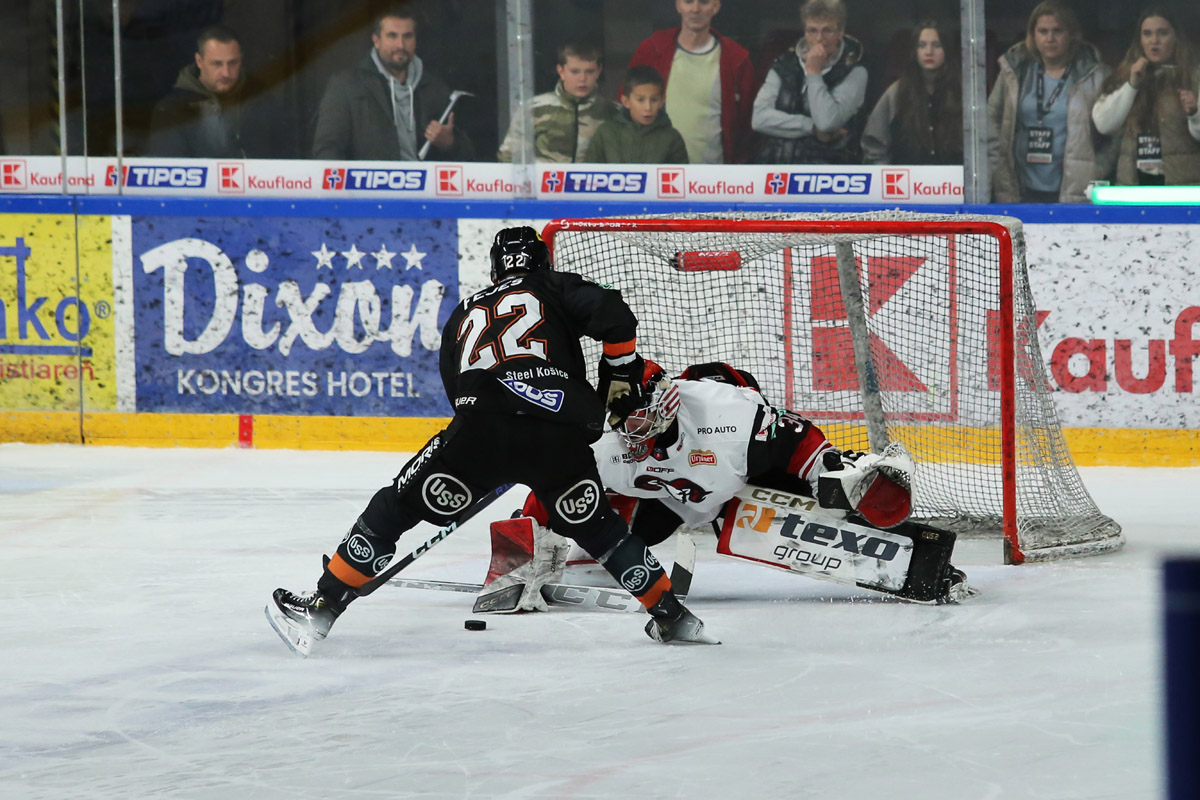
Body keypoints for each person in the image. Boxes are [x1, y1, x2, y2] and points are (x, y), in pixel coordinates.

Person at [266, 227, 718, 655]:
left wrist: (491, 448)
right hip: (559, 437)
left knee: (396, 506)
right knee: (602, 530)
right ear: (543, 261)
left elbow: (456, 392)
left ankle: (324, 605)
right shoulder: (554, 285)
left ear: (495, 268)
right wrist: (621, 372)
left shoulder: (463, 312)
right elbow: (614, 314)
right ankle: (673, 617)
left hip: (480, 434)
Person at [480, 361, 967, 605]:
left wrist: (840, 476)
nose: (629, 431)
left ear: (665, 407)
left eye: (639, 420)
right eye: (621, 420)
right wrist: (521, 543)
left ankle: (918, 560)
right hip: (671, 498)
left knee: (813, 502)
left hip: (741, 473)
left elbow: (799, 442)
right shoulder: (605, 443)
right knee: (610, 520)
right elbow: (554, 484)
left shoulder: (732, 417)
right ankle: (608, 542)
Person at [987, 1, 1114, 203]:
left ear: (1071, 35)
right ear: (1033, 35)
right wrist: (997, 163)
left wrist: (1094, 169)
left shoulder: (1095, 75)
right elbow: (990, 118)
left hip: (1073, 188)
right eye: (1043, 31)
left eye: (1057, 31)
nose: (1050, 38)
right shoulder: (1015, 70)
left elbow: (1115, 134)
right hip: (1019, 187)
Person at [311, 8, 474, 161]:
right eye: (392, 36)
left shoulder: (434, 87)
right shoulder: (346, 85)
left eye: (407, 36)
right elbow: (326, 150)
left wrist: (449, 143)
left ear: (415, 40)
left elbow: (470, 156)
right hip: (371, 182)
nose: (401, 45)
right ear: (376, 40)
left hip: (424, 182)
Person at [625, 0, 755, 163]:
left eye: (704, 2)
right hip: (656, 170)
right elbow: (625, 111)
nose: (696, 9)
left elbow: (749, 123)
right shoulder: (652, 50)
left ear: (716, 6)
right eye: (688, 1)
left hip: (713, 172)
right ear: (678, 5)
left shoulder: (737, 60)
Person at [1092, 8, 1200, 186]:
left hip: (1181, 186)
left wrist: (1194, 114)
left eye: (1162, 33)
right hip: (1133, 185)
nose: (1154, 41)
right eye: (1147, 34)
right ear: (1140, 39)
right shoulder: (1125, 75)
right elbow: (1104, 124)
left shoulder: (1194, 77)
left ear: (1176, 37)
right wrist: (1131, 85)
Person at [752, 0, 869, 165]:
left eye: (827, 30)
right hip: (779, 165)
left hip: (828, 168)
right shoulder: (784, 64)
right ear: (805, 32)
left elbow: (827, 123)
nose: (819, 39)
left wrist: (814, 72)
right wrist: (811, 128)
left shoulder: (855, 71)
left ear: (840, 32)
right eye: (812, 30)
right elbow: (758, 119)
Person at [147, 25, 284, 158]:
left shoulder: (259, 98)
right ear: (199, 61)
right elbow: (169, 168)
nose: (226, 73)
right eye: (217, 64)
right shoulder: (171, 109)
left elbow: (284, 152)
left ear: (241, 59)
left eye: (233, 63)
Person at [862, 20, 964, 165]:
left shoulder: (964, 92)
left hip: (955, 178)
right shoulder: (896, 92)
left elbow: (984, 145)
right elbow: (875, 145)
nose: (929, 52)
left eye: (936, 45)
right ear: (914, 51)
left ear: (946, 50)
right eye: (922, 45)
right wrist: (884, 173)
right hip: (907, 178)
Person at [496, 42, 617, 163]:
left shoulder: (614, 112)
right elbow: (510, 157)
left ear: (599, 71)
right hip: (544, 175)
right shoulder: (534, 108)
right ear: (561, 71)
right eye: (575, 72)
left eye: (589, 71)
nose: (582, 79)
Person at [585, 66, 690, 163]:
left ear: (662, 101)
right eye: (640, 100)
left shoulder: (672, 138)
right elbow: (590, 172)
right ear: (626, 101)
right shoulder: (606, 133)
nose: (648, 107)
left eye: (654, 100)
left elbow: (681, 175)